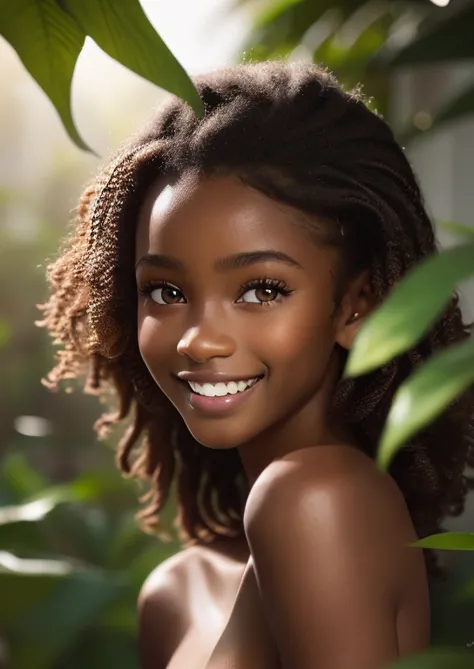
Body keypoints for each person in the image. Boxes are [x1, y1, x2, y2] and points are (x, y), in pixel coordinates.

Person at [37, 60, 474, 669]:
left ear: (357, 306)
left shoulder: (313, 498)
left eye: (261, 290)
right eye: (165, 292)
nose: (199, 340)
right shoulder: (177, 591)